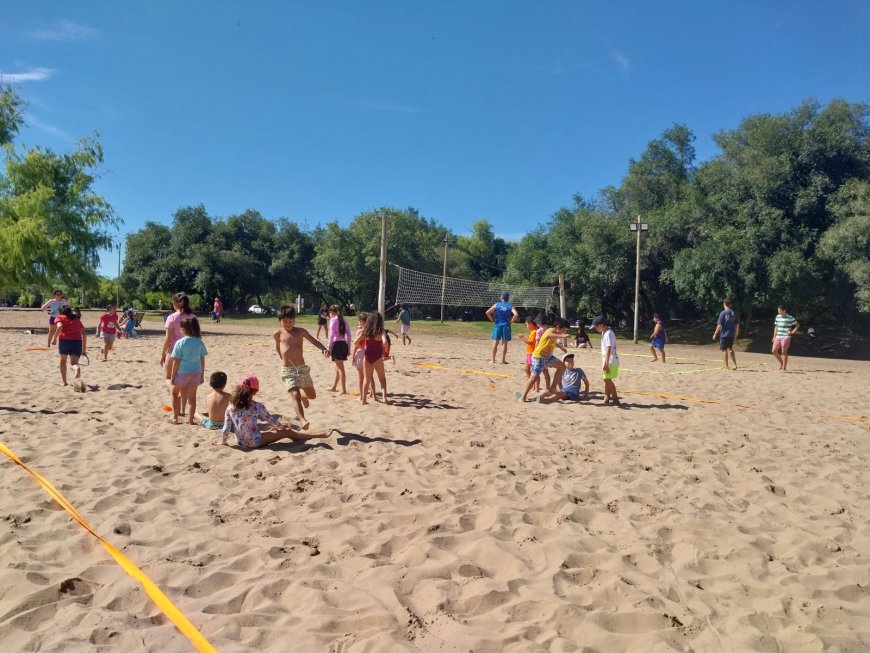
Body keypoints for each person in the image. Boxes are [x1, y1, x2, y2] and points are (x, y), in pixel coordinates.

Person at [218, 375, 332, 448]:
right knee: (287, 431)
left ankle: (301, 434)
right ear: (255, 391)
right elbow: (271, 420)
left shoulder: (230, 407)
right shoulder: (257, 406)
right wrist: (282, 427)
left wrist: (223, 442)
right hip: (254, 442)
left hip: (240, 441)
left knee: (273, 430)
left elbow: (226, 428)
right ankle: (317, 435)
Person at [274, 304, 329, 429]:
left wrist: (323, 348)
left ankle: (304, 396)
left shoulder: (300, 332)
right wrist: (282, 358)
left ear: (295, 320)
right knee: (294, 394)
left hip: (302, 369)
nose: (288, 324)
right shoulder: (278, 334)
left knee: (312, 395)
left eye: (291, 321)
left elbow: (314, 340)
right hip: (288, 370)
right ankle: (302, 419)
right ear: (279, 321)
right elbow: (278, 347)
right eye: (285, 321)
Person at [517, 317, 569, 402]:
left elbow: (553, 342)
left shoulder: (555, 334)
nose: (565, 332)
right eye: (564, 330)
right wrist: (562, 336)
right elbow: (548, 335)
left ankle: (552, 387)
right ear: (558, 327)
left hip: (548, 357)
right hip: (539, 356)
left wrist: (561, 348)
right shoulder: (550, 330)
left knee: (562, 367)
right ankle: (523, 396)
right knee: (534, 377)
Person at [168, 316, 207, 425]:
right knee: (192, 399)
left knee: (174, 393)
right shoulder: (199, 342)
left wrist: (172, 375)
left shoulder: (180, 342)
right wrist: (202, 374)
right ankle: (190, 420)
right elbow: (202, 360)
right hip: (196, 373)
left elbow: (176, 361)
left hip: (183, 372)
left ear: (184, 329)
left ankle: (175, 417)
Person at [161, 293, 195, 407]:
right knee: (185, 383)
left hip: (174, 351)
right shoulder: (192, 317)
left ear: (175, 303)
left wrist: (162, 353)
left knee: (169, 378)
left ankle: (174, 392)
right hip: (189, 352)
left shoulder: (172, 317)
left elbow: (168, 338)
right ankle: (182, 409)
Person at [51, 305, 87, 386]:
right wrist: (84, 350)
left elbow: (60, 326)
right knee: (74, 363)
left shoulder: (60, 317)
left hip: (65, 341)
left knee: (63, 361)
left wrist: (54, 338)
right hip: (77, 342)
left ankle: (64, 382)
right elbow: (84, 334)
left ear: (61, 312)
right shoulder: (77, 320)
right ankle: (76, 368)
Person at [361, 311, 391, 405]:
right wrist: (384, 350)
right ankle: (384, 398)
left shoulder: (366, 331)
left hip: (367, 356)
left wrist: (362, 347)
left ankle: (364, 400)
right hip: (377, 357)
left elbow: (356, 342)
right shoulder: (380, 331)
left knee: (366, 379)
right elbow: (385, 342)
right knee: (382, 379)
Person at [592, 316, 620, 406]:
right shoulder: (604, 332)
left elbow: (608, 349)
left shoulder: (608, 333)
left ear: (601, 325)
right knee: (607, 379)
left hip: (610, 360)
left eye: (596, 327)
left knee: (606, 379)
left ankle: (615, 399)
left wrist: (606, 364)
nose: (595, 329)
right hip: (608, 360)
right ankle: (606, 398)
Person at [486, 291, 519, 364]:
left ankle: (493, 360)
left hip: (498, 325)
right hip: (506, 326)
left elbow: (487, 312)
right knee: (505, 343)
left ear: (501, 298)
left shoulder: (497, 305)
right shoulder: (510, 306)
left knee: (495, 343)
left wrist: (492, 320)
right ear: (508, 298)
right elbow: (516, 315)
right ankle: (503, 360)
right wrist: (511, 321)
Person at [327, 305, 352, 394]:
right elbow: (349, 335)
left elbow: (331, 335)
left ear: (331, 312)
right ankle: (334, 387)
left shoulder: (333, 320)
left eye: (329, 312)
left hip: (336, 344)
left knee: (340, 368)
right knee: (337, 368)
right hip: (343, 344)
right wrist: (349, 347)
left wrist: (328, 347)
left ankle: (344, 390)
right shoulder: (344, 320)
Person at [712, 299, 739, 370]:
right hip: (732, 334)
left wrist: (715, 334)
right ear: (730, 304)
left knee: (724, 350)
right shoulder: (733, 313)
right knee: (730, 348)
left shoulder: (723, 313)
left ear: (724, 304)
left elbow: (719, 325)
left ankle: (726, 366)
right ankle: (735, 364)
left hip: (724, 334)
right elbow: (737, 324)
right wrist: (736, 333)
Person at [772, 305, 800, 371]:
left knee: (784, 351)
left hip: (786, 336)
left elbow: (797, 325)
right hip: (778, 336)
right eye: (778, 310)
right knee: (774, 351)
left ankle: (784, 367)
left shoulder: (790, 317)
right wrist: (774, 336)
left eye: (780, 310)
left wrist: (793, 331)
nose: (778, 312)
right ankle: (781, 363)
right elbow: (776, 326)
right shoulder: (777, 317)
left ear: (784, 310)